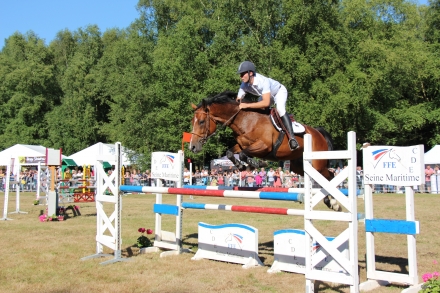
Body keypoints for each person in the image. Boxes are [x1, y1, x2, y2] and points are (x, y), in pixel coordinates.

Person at [236, 60, 299, 151]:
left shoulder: (263, 81)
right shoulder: (244, 85)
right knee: (259, 111)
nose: (241, 77)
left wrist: (247, 105)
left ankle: (292, 138)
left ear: (251, 73)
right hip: (266, 96)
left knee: (280, 109)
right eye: (240, 74)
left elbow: (266, 103)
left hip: (279, 92)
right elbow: (238, 100)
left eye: (242, 74)